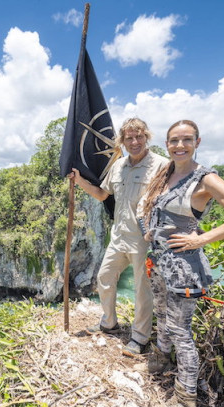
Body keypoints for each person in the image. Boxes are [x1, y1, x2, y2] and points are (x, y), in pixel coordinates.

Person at [139, 119, 224, 407]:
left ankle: (185, 404)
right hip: (160, 263)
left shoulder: (205, 179)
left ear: (197, 142)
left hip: (183, 268)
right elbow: (155, 209)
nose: (179, 145)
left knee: (182, 333)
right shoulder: (166, 173)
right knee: (163, 318)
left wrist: (201, 238)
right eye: (174, 140)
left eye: (186, 140)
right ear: (166, 144)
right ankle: (161, 361)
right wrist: (150, 231)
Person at [69, 117, 169, 356]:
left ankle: (140, 337)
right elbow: (103, 195)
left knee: (142, 289)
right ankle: (109, 321)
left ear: (147, 137)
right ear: (122, 141)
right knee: (104, 277)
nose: (134, 142)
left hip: (144, 240)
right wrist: (79, 181)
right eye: (129, 138)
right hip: (119, 236)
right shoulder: (118, 166)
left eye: (139, 136)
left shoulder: (162, 166)